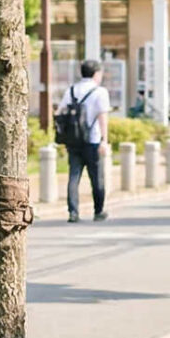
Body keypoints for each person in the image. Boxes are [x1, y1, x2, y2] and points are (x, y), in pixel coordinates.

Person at [59, 60, 110, 223]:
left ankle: (73, 212)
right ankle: (98, 211)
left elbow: (60, 111)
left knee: (74, 176)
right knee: (96, 177)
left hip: (74, 140)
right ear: (96, 73)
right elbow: (103, 116)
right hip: (92, 139)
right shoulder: (100, 92)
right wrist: (104, 140)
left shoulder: (72, 90)